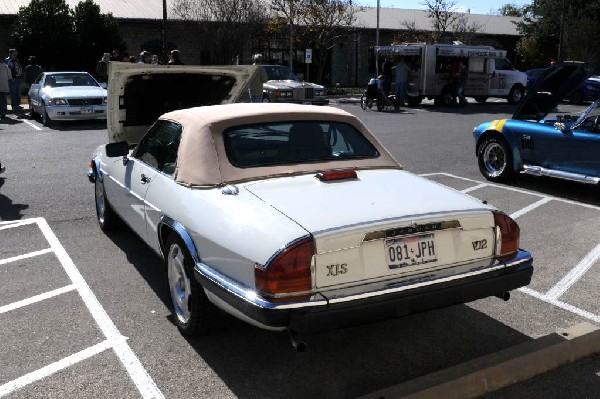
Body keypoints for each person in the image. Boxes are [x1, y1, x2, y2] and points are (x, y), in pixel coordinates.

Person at [5, 49, 23, 113]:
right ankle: (14, 106)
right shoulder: (7, 60)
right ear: (10, 54)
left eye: (16, 54)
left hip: (18, 78)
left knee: (18, 93)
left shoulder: (16, 60)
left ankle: (17, 105)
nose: (15, 55)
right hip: (12, 79)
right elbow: (7, 70)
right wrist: (10, 78)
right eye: (14, 54)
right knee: (13, 93)